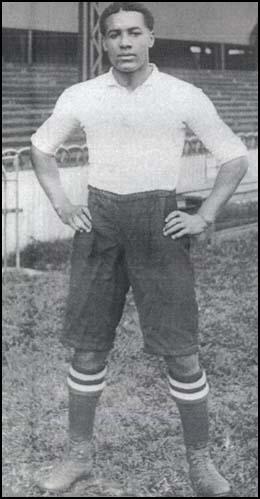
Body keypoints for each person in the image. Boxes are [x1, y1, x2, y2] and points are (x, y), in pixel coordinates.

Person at [31, 2, 249, 496]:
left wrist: (205, 214)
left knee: (183, 354)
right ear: (102, 42)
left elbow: (233, 157)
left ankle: (201, 463)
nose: (124, 43)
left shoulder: (181, 94)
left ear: (151, 37)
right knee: (87, 349)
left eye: (134, 33)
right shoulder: (82, 94)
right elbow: (42, 148)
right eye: (114, 35)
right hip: (100, 222)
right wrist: (64, 204)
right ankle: (78, 457)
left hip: (159, 225)